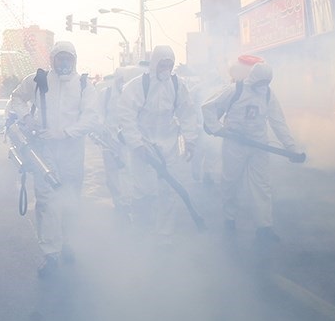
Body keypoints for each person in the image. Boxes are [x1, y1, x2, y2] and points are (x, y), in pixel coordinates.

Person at [7, 41, 99, 278]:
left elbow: (91, 118)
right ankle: (51, 254)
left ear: (75, 60)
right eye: (60, 58)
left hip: (72, 151)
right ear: (52, 59)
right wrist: (26, 117)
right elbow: (16, 98)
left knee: (70, 200)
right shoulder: (38, 80)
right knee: (47, 202)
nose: (64, 62)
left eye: (69, 58)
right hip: (44, 151)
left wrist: (66, 133)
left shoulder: (83, 85)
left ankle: (68, 242)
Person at [201, 60, 300, 244]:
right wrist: (218, 129)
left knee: (262, 185)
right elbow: (207, 107)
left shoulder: (268, 94)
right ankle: (230, 217)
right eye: (261, 82)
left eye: (266, 83)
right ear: (253, 78)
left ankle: (264, 227)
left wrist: (291, 147)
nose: (263, 86)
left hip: (258, 145)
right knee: (231, 181)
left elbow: (278, 121)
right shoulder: (235, 90)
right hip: (235, 144)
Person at [116, 45, 199, 245]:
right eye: (163, 64)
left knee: (168, 190)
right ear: (154, 63)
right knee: (142, 189)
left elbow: (187, 113)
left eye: (169, 65)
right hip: (143, 143)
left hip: (168, 143)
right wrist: (136, 144)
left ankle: (164, 234)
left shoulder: (178, 85)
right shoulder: (137, 86)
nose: (166, 69)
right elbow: (126, 117)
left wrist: (190, 140)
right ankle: (141, 229)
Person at [95, 65, 143, 223]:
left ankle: (129, 202)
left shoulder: (134, 94)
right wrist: (102, 127)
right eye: (121, 80)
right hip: (110, 138)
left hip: (128, 138)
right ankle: (119, 202)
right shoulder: (106, 94)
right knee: (112, 173)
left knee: (129, 170)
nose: (123, 83)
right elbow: (99, 113)